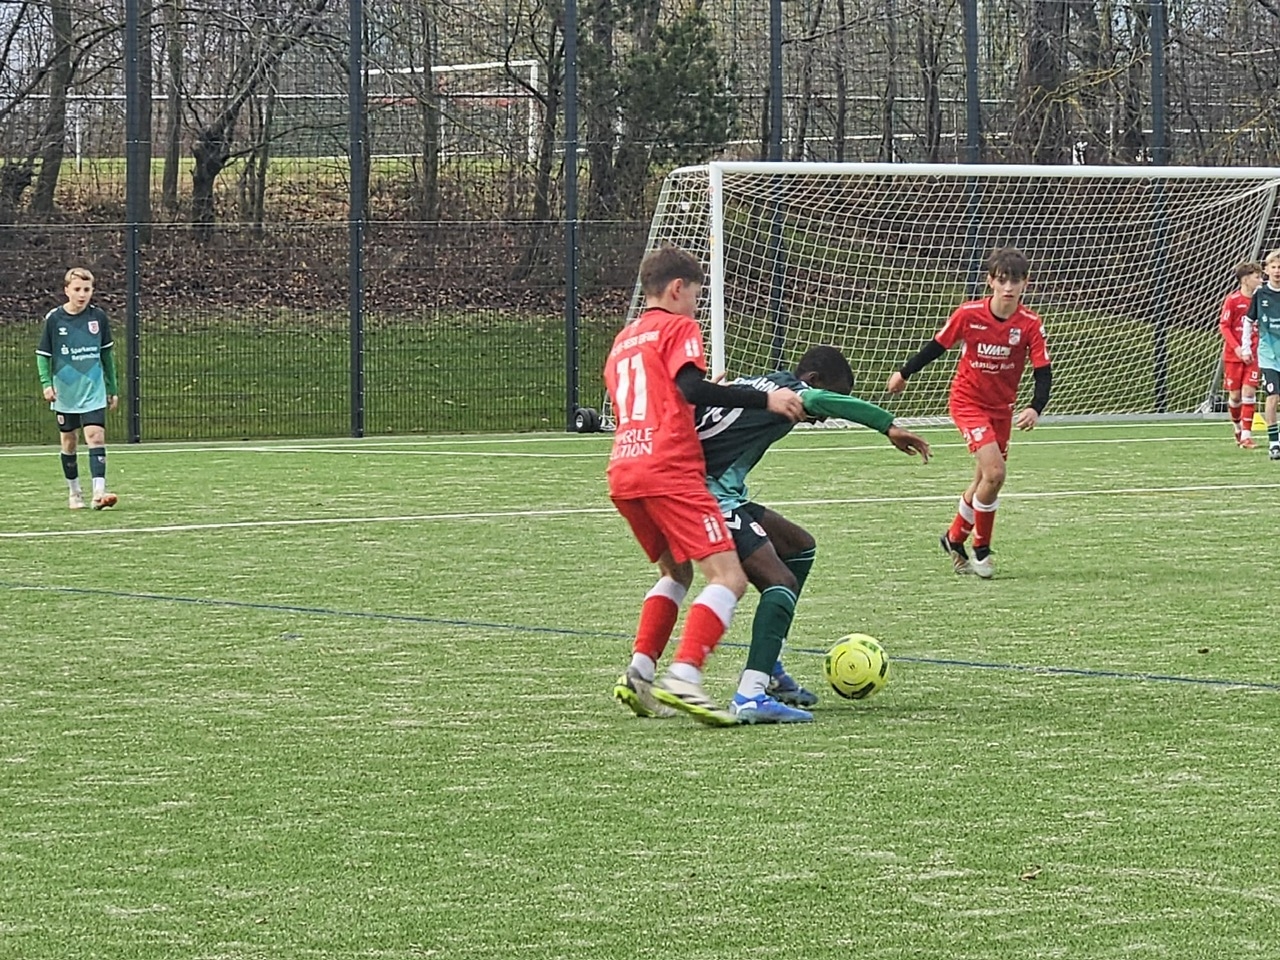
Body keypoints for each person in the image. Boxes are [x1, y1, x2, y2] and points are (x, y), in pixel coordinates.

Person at [606, 245, 805, 725]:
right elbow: (691, 388)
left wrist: (700, 395)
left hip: (625, 469)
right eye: (696, 296)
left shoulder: (624, 340)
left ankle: (639, 673)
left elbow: (666, 398)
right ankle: (685, 676)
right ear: (677, 289)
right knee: (729, 577)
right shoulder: (678, 327)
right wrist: (764, 399)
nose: (696, 307)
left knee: (676, 574)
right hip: (670, 470)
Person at [694, 345, 931, 723]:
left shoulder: (760, 382)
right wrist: (888, 425)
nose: (823, 418)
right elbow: (821, 401)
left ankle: (769, 667)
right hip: (704, 498)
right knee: (780, 580)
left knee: (799, 547)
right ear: (813, 380)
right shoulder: (794, 393)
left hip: (719, 493)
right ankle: (750, 695)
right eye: (831, 400)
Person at [886, 246, 1052, 579]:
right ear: (990, 281)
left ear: (1026, 283)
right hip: (968, 403)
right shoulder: (968, 314)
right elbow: (937, 346)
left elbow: (1042, 370)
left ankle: (953, 537)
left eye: (1015, 281)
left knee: (983, 481)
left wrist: (1035, 407)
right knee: (995, 474)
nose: (1009, 288)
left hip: (1001, 409)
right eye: (1002, 280)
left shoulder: (1030, 324)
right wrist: (904, 373)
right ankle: (981, 548)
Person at [36, 267, 120, 510]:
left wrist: (112, 387)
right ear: (67, 291)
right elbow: (43, 355)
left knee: (95, 436)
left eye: (87, 289)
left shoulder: (98, 317)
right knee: (69, 442)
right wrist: (46, 384)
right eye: (77, 289)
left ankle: (98, 494)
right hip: (65, 391)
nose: (82, 294)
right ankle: (74, 493)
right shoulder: (54, 319)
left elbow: (106, 355)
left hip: (93, 389)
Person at [1218, 261, 1263, 447]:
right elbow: (1224, 326)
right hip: (1233, 356)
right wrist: (1237, 348)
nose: (1261, 280)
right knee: (1235, 396)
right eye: (1257, 277)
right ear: (1245, 280)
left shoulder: (1262, 299)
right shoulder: (1233, 300)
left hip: (1255, 354)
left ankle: (1246, 435)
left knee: (1249, 392)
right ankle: (1237, 428)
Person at [1244, 249, 1280, 461]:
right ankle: (1274, 443)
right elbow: (1249, 321)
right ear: (1266, 270)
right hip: (1269, 357)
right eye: (1273, 267)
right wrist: (1246, 347)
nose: (1277, 271)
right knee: (1272, 396)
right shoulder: (1261, 294)